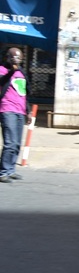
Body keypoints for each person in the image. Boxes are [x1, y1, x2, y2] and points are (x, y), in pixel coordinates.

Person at [0, 47, 31, 183]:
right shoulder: (2, 70)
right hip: (7, 109)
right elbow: (1, 81)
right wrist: (10, 71)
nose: (15, 60)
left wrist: (28, 111)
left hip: (20, 110)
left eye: (18, 58)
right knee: (10, 143)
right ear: (8, 57)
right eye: (13, 57)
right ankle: (3, 172)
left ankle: (11, 170)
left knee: (17, 143)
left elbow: (24, 93)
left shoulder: (22, 73)